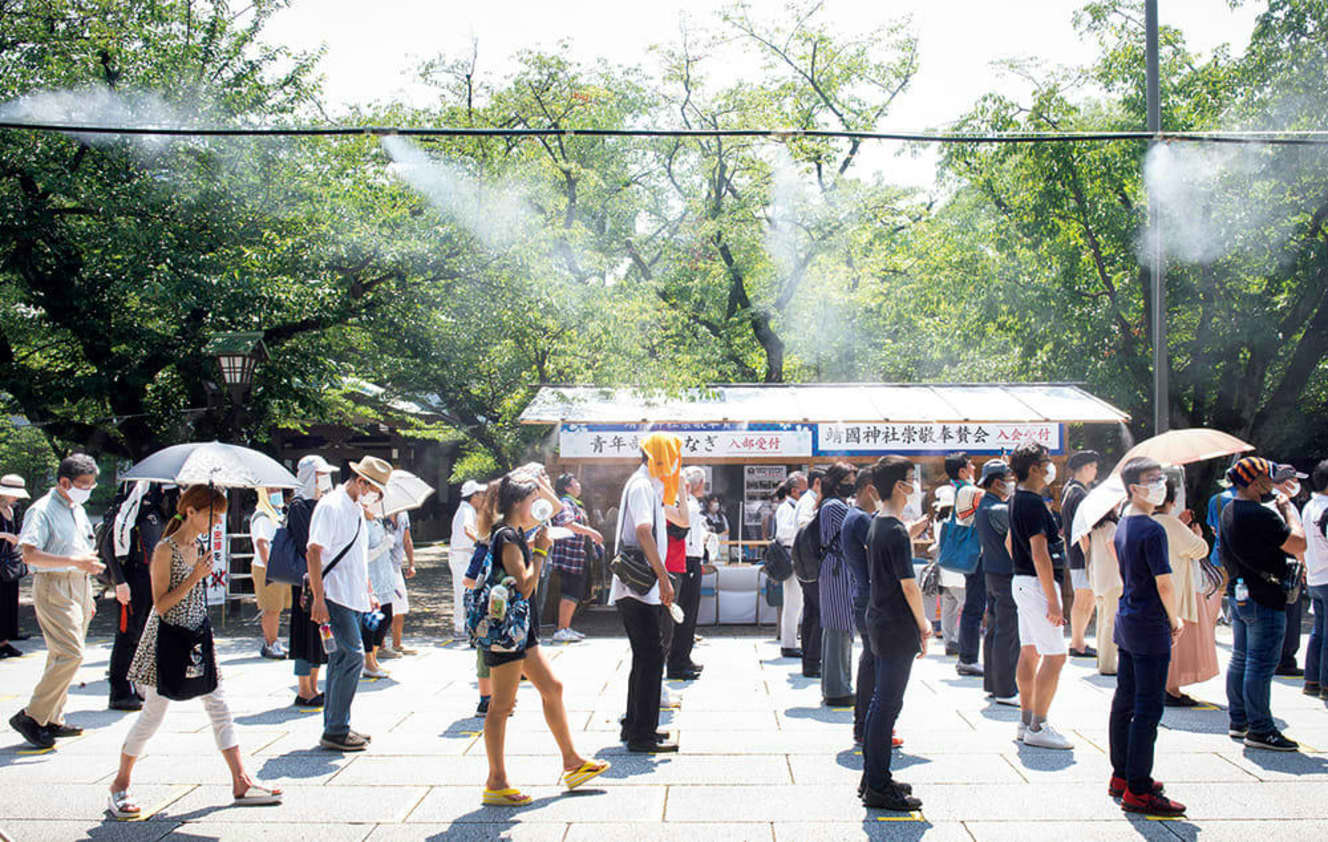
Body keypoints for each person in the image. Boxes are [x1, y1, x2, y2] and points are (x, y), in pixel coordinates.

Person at [105, 485, 282, 818]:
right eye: (212, 518)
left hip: (198, 636)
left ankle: (241, 779)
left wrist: (201, 574)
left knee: (218, 705)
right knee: (154, 713)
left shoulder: (199, 546)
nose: (215, 527)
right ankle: (120, 783)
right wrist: (194, 576)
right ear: (191, 511)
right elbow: (160, 605)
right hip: (169, 639)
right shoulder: (165, 549)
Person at [478, 469, 609, 805]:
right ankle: (496, 781)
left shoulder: (518, 530)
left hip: (523, 634)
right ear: (518, 503)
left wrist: (540, 484)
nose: (538, 505)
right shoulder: (508, 537)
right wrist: (540, 551)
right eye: (532, 499)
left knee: (553, 689)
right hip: (508, 635)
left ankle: (572, 762)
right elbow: (524, 586)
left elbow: (553, 510)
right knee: (501, 706)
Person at [1107, 457, 1186, 816]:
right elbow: (1165, 583)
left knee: (1125, 699)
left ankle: (1122, 774)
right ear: (1134, 488)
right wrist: (1175, 619)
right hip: (1150, 621)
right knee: (1148, 707)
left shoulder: (1124, 523)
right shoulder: (1153, 529)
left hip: (1127, 618)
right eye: (1151, 479)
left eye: (1160, 478)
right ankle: (1139, 788)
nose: (1160, 484)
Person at [9, 454, 105, 749]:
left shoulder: (75, 509)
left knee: (61, 655)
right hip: (54, 585)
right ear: (64, 482)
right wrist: (73, 561)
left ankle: (52, 717)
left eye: (92, 483)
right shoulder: (41, 510)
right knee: (69, 653)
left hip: (78, 584)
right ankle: (32, 715)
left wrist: (87, 585)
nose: (90, 489)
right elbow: (29, 554)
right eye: (84, 484)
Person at [1222, 456, 1306, 752]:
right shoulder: (1262, 514)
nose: (1272, 483)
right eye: (1268, 478)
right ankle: (1260, 728)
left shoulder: (1229, 510)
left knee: (1241, 657)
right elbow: (1298, 543)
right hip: (1265, 595)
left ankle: (1239, 719)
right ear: (1256, 482)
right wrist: (1288, 510)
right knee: (1260, 664)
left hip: (1240, 591)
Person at [307, 455, 391, 752]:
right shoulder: (332, 505)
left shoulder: (355, 507)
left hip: (350, 594)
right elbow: (314, 551)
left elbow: (354, 555)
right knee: (352, 656)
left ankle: (336, 725)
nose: (375, 496)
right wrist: (318, 597)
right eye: (374, 489)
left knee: (342, 659)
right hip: (335, 594)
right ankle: (336, 728)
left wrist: (367, 589)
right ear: (361, 480)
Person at [860, 455, 928, 812]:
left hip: (880, 619)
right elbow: (909, 585)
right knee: (887, 705)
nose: (913, 484)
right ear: (899, 486)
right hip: (897, 624)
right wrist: (924, 624)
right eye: (910, 478)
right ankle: (878, 785)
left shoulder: (880, 523)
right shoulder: (895, 530)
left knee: (880, 704)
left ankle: (873, 775)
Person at [612, 432, 680, 753]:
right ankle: (643, 734)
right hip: (639, 586)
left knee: (644, 657)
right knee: (651, 656)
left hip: (639, 587)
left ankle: (635, 725)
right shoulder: (641, 486)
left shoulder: (647, 485)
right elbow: (642, 530)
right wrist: (663, 576)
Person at [1007, 441, 1073, 750]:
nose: (1050, 467)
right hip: (1036, 583)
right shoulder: (1032, 502)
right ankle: (1039, 724)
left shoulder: (1016, 499)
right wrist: (1053, 599)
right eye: (1045, 462)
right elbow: (1040, 552)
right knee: (1055, 655)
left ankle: (1026, 719)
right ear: (1034, 467)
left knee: (1030, 650)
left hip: (1023, 581)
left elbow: (1011, 543)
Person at [1153, 479, 1217, 706]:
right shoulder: (1170, 524)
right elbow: (1200, 549)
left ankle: (1165, 687)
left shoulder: (1142, 522)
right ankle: (1170, 688)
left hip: (1149, 591)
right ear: (1170, 500)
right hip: (1176, 588)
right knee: (1175, 640)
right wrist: (1197, 534)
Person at [105, 482, 167, 711]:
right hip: (133, 577)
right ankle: (119, 691)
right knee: (127, 635)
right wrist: (119, 581)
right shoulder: (129, 510)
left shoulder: (157, 512)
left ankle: (137, 685)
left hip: (151, 577)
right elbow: (108, 546)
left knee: (143, 634)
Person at [286, 455, 336, 708]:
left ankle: (314, 686)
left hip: (322, 576)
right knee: (304, 633)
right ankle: (304, 689)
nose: (324, 480)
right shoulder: (298, 507)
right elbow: (307, 544)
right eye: (319, 475)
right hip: (305, 580)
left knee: (319, 634)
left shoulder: (322, 504)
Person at [976, 460, 1019, 705]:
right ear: (996, 482)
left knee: (994, 629)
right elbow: (1012, 542)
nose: (1011, 482)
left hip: (991, 572)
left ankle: (993, 684)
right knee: (1007, 631)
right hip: (1005, 574)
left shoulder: (984, 506)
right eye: (1007, 477)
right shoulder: (999, 510)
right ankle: (1005, 688)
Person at [818, 462, 857, 707]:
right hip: (836, 570)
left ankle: (839, 685)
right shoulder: (834, 506)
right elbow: (858, 526)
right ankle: (837, 689)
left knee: (840, 628)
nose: (852, 484)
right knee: (838, 628)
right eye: (849, 479)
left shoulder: (834, 505)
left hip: (838, 569)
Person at [943, 452, 986, 677]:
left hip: (973, 554)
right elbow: (995, 498)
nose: (973, 467)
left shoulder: (958, 489)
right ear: (962, 470)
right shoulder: (969, 490)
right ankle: (968, 658)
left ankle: (968, 656)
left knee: (972, 605)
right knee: (974, 607)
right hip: (977, 555)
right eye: (970, 464)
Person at [550, 473, 604, 643]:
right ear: (567, 487)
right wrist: (592, 532)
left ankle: (565, 627)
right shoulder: (565, 503)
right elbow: (568, 524)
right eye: (575, 482)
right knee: (570, 592)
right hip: (569, 556)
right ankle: (561, 629)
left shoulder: (573, 503)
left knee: (574, 592)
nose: (579, 485)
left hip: (576, 556)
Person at [668, 466, 707, 678]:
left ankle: (684, 657)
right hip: (687, 560)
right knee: (685, 612)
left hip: (692, 559)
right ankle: (677, 662)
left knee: (690, 614)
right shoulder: (684, 503)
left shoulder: (690, 502)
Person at [1062, 450, 1101, 658]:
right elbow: (1083, 530)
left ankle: (1079, 641)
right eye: (1093, 467)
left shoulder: (1070, 489)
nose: (1095, 471)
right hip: (1081, 554)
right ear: (1085, 468)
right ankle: (1077, 643)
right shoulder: (1078, 494)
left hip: (1076, 553)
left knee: (1085, 597)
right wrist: (1090, 557)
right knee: (1084, 598)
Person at [1272, 464, 1309, 677]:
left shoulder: (1268, 501)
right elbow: (1295, 538)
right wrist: (1302, 564)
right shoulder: (1286, 506)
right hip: (1290, 563)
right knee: (1291, 613)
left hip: (1279, 564)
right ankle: (1285, 659)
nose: (1297, 485)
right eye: (1294, 480)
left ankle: (1282, 657)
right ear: (1285, 482)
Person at [248, 487, 291, 661]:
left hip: (278, 567)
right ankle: (270, 643)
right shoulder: (262, 516)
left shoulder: (276, 514)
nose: (276, 492)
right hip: (266, 568)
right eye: (271, 489)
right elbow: (261, 542)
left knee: (277, 607)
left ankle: (275, 640)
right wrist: (270, 567)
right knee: (271, 608)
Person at [795, 468, 826, 677]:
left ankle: (810, 659)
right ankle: (813, 660)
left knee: (812, 613)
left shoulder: (810, 500)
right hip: (810, 565)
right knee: (817, 615)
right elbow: (804, 525)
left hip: (808, 565)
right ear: (817, 483)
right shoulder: (808, 502)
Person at [1302, 459, 1328, 698]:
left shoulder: (1310, 506)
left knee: (1319, 630)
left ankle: (1311, 680)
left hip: (1314, 575)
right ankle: (1326, 684)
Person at [361, 504, 396, 680]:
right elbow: (364, 555)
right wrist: (383, 546)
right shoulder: (361, 526)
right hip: (370, 578)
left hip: (384, 576)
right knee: (371, 620)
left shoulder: (378, 522)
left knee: (387, 616)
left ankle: (373, 658)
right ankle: (367, 660)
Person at [448, 480, 485, 638]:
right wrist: (481, 541)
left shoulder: (467, 509)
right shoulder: (466, 510)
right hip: (461, 555)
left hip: (464, 554)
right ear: (474, 496)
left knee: (467, 590)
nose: (483, 497)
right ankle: (460, 626)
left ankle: (465, 624)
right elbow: (467, 528)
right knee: (462, 591)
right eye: (480, 494)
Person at [1088, 510, 1124, 675]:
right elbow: (1115, 551)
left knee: (1102, 620)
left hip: (1099, 579)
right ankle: (1108, 665)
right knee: (1110, 621)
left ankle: (1102, 660)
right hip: (1112, 579)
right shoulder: (1110, 527)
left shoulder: (1095, 528)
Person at [776, 472, 807, 658]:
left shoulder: (793, 506)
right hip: (790, 554)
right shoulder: (787, 508)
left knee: (797, 601)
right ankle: (788, 644)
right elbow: (782, 533)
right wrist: (802, 528)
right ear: (795, 490)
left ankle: (791, 641)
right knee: (793, 602)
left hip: (797, 554)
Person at [0, 474, 30, 660]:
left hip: (9, 559)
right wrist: (4, 535)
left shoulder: (14, 508)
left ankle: (5, 639)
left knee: (10, 599)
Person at [380, 509, 416, 658]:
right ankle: (380, 646)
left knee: (400, 606)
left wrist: (411, 563)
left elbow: (407, 540)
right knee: (382, 607)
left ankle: (397, 644)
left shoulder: (403, 516)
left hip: (396, 566)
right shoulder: (378, 516)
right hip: (381, 567)